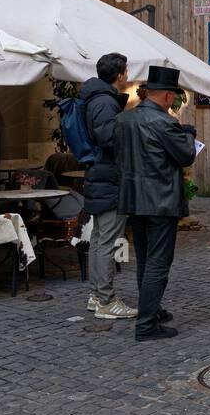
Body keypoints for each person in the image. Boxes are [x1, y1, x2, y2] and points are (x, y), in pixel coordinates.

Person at [113, 66, 198, 341]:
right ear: (165, 96)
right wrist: (188, 133)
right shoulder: (164, 122)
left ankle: (152, 309)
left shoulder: (125, 120)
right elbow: (186, 155)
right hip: (160, 201)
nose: (174, 101)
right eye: (173, 96)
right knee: (158, 262)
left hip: (134, 200)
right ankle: (147, 324)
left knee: (145, 259)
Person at [80, 52, 135, 320]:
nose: (128, 76)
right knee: (107, 241)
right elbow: (108, 138)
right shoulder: (104, 102)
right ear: (120, 74)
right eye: (126, 71)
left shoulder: (98, 98)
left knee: (100, 238)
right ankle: (105, 299)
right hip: (109, 177)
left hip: (101, 176)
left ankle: (96, 295)